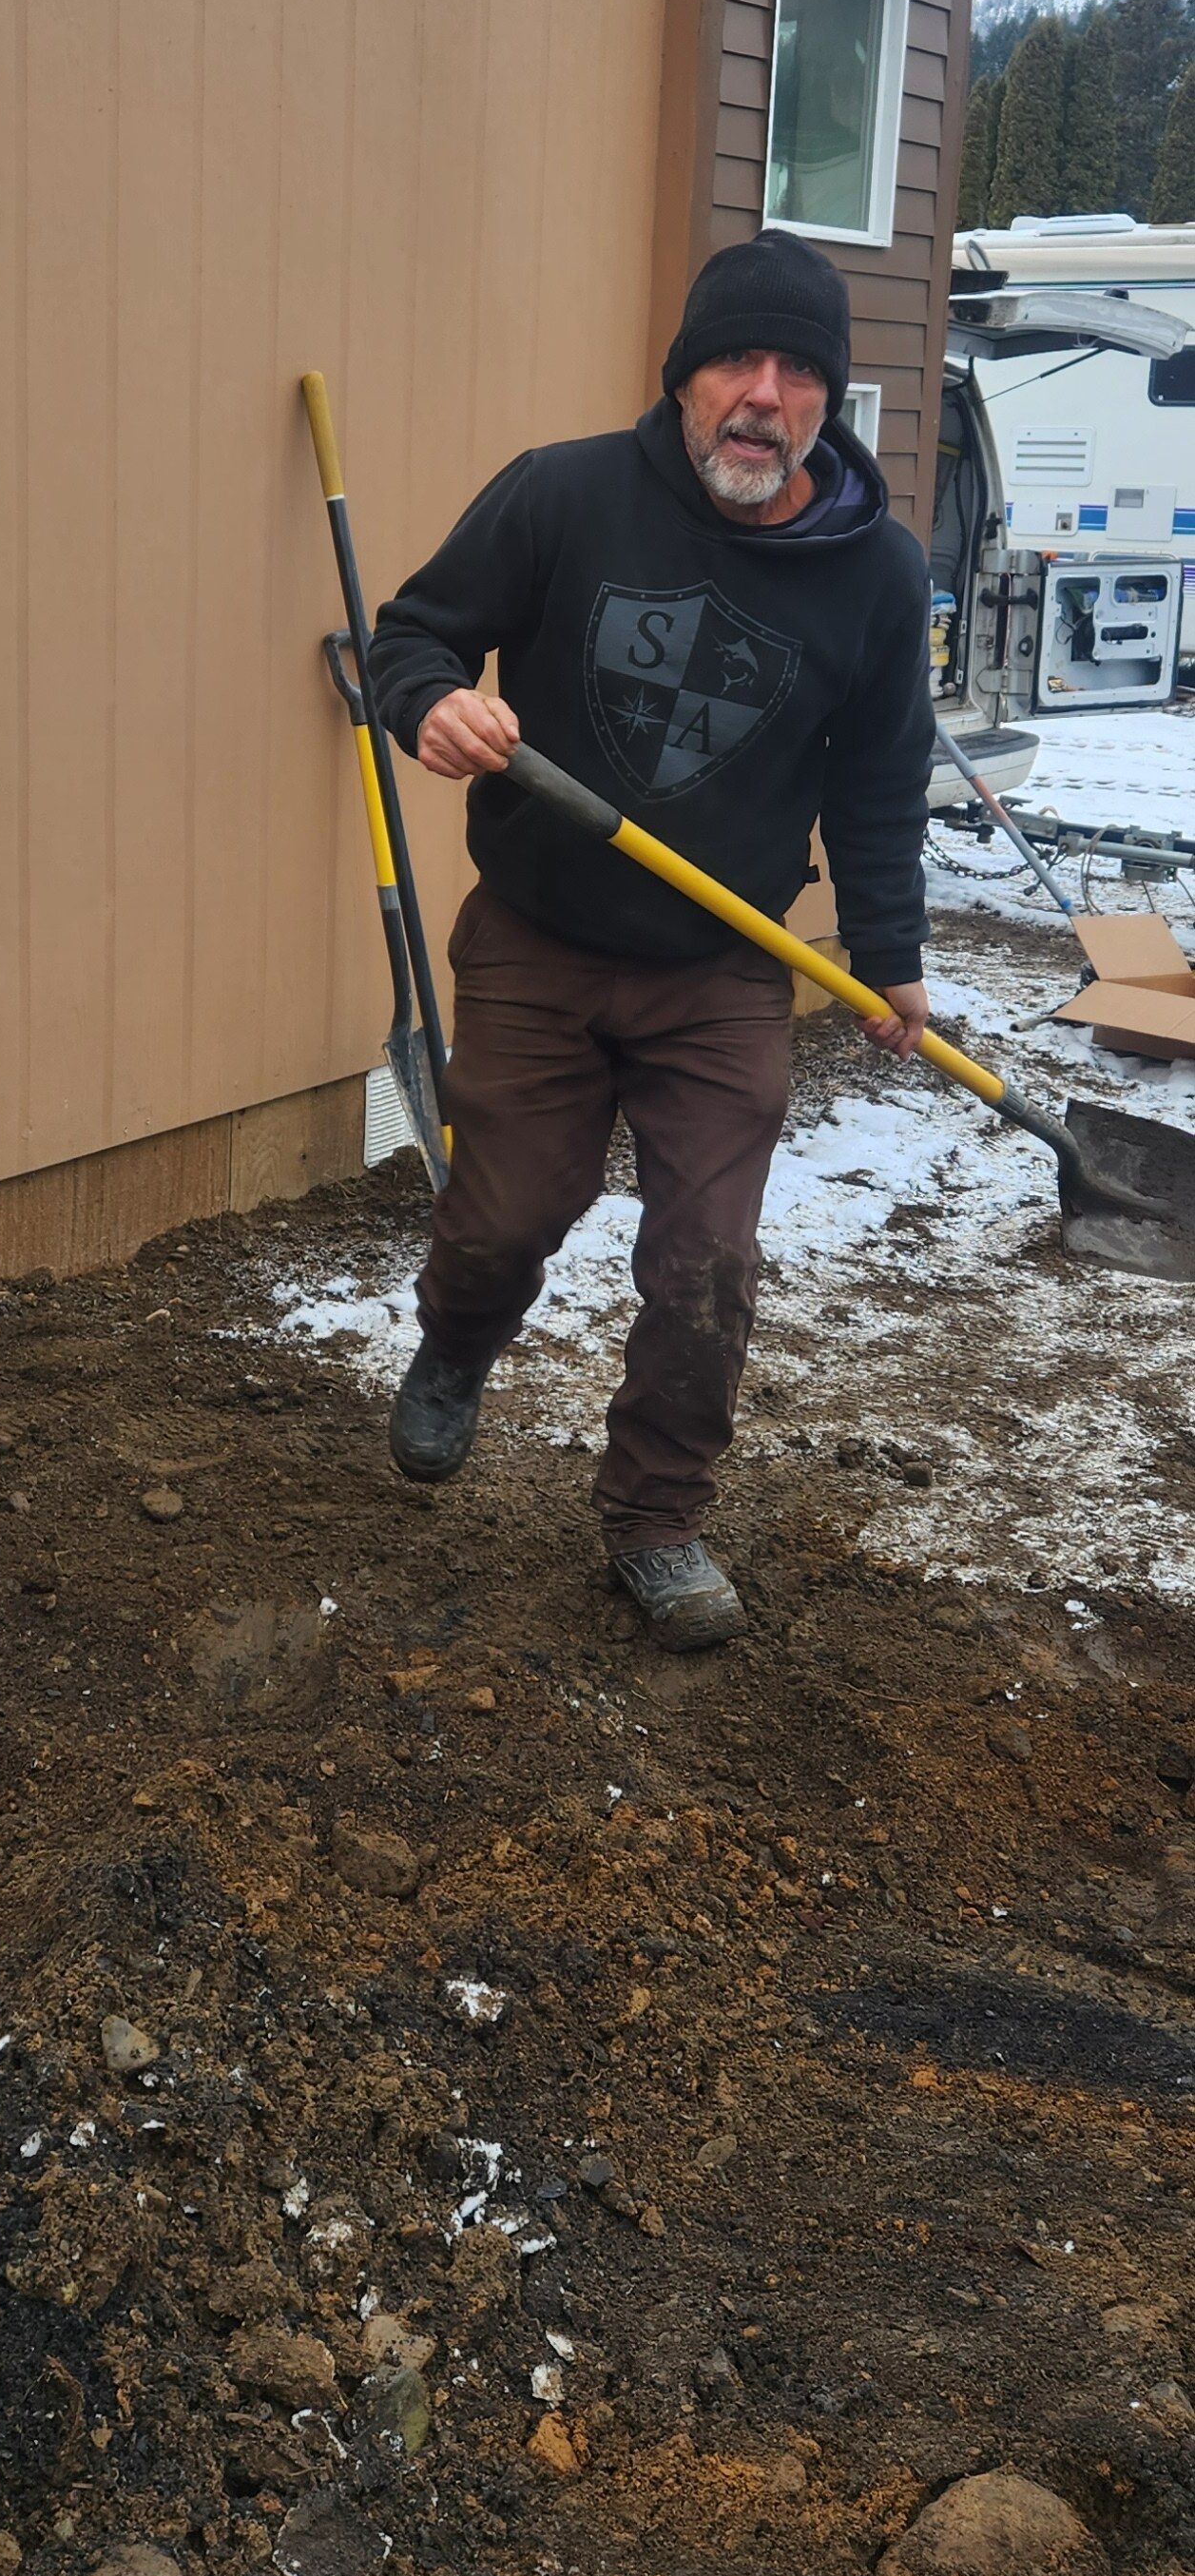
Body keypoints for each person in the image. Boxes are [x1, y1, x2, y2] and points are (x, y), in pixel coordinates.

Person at [367, 230, 934, 1652]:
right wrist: (430, 701)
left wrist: (891, 949)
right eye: (737, 360)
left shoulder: (874, 571)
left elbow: (878, 782)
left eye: (800, 370)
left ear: (829, 404)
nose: (765, 393)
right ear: (684, 378)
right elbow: (409, 638)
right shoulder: (564, 495)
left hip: (726, 971)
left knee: (707, 1266)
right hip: (540, 942)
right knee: (507, 1217)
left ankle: (660, 1519)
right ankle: (456, 1341)